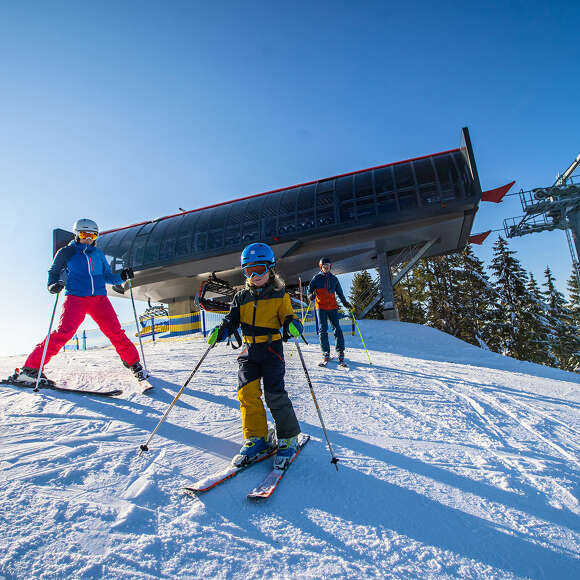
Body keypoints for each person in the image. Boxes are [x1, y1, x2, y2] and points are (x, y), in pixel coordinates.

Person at [11, 218, 147, 385]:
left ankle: (134, 364)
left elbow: (107, 277)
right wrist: (52, 285)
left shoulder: (98, 254)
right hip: (76, 298)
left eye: (93, 235)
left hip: (99, 299)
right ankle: (31, 369)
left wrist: (121, 276)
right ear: (76, 234)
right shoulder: (66, 252)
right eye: (84, 234)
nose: (88, 238)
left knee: (115, 331)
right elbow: (53, 272)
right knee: (64, 333)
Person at [208, 242, 303, 469]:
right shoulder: (241, 297)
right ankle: (257, 438)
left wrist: (292, 324)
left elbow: (288, 316)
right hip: (249, 351)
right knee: (247, 394)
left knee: (274, 395)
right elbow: (231, 320)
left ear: (270, 268)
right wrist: (221, 331)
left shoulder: (280, 295)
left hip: (271, 350)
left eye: (259, 269)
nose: (254, 275)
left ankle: (288, 437)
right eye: (248, 270)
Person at [308, 256, 351, 365]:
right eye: (324, 266)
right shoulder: (316, 278)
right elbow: (309, 290)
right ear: (321, 267)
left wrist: (345, 302)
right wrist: (310, 296)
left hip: (332, 307)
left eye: (327, 266)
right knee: (323, 329)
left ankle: (340, 351)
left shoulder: (334, 279)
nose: (326, 267)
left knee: (337, 328)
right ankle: (325, 351)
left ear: (330, 266)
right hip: (321, 307)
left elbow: (340, 293)